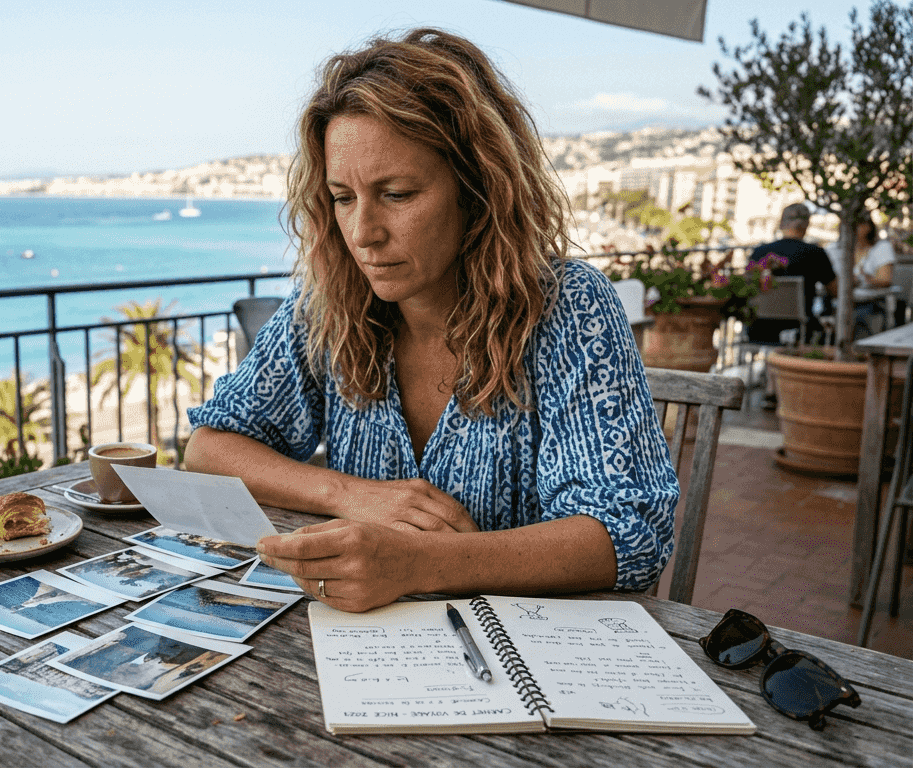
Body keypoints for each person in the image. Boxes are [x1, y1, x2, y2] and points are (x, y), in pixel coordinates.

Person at [182, 28, 679, 613]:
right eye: (343, 198)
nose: (363, 234)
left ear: (478, 189)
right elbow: (210, 447)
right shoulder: (328, 306)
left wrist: (418, 562)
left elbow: (627, 534)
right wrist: (356, 497)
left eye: (396, 193)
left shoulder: (567, 307)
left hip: (529, 660)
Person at [746, 203, 836, 344]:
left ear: (782, 224)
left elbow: (748, 289)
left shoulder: (758, 253)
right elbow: (835, 291)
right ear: (806, 225)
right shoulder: (815, 254)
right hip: (799, 330)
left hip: (757, 328)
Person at [827, 211, 897, 338]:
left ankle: (857, 352)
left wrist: (863, 280)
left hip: (869, 303)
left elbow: (885, 280)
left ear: (868, 227)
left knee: (857, 316)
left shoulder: (881, 248)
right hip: (835, 301)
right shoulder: (833, 249)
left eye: (856, 225)